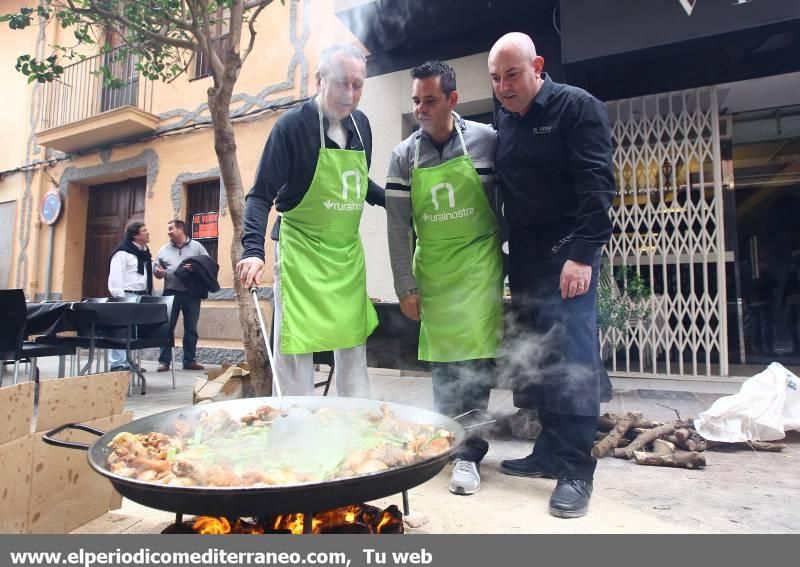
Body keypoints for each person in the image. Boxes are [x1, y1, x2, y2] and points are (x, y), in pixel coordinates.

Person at [488, 32, 615, 518]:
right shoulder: (506, 117)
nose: (503, 86)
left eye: (512, 75)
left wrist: (583, 255)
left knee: (573, 356)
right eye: (496, 79)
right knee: (536, 353)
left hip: (569, 253)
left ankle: (576, 470)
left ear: (537, 65)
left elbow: (598, 187)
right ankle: (547, 452)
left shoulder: (576, 108)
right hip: (525, 255)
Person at [237, 43, 385, 397]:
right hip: (301, 252)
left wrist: (400, 201)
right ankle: (293, 433)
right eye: (341, 83)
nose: (350, 95)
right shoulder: (291, 126)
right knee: (295, 346)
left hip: (346, 256)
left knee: (353, 346)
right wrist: (253, 249)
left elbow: (359, 184)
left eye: (358, 84)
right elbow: (259, 197)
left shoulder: (362, 126)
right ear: (320, 80)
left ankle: (356, 429)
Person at [386, 60, 503, 496]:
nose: (421, 109)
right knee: (443, 366)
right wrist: (405, 285)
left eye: (429, 100)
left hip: (478, 267)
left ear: (452, 100)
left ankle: (469, 453)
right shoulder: (403, 155)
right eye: (416, 100)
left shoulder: (488, 142)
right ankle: (446, 441)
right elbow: (398, 226)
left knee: (474, 363)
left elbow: (510, 204)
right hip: (432, 270)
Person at [153, 219, 209, 372]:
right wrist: (158, 272)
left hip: (192, 295)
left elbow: (208, 265)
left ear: (180, 229)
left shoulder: (197, 247)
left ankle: (189, 361)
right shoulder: (164, 249)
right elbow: (157, 270)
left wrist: (195, 268)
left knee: (191, 329)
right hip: (170, 293)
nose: (168, 231)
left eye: (171, 228)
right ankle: (164, 362)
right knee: (166, 328)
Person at [107, 221, 153, 371]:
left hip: (141, 296)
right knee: (120, 330)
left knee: (134, 331)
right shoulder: (122, 252)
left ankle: (130, 361)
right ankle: (118, 363)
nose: (148, 233)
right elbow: (115, 277)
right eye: (145, 230)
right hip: (126, 295)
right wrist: (120, 298)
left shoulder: (144, 252)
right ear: (135, 235)